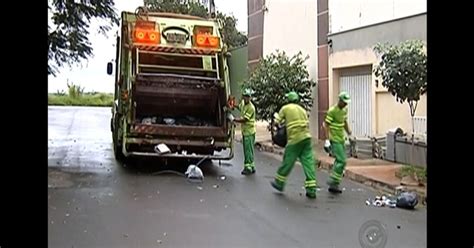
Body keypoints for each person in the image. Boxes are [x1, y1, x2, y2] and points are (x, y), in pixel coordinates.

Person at [270, 91, 317, 199]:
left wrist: (277, 123)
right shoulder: (302, 110)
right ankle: (312, 190)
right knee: (308, 163)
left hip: (294, 139)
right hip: (306, 138)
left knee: (288, 161)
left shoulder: (285, 108)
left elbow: (277, 122)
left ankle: (279, 183)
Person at [322, 91, 352, 194]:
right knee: (342, 160)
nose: (346, 104)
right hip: (334, 139)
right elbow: (326, 125)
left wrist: (349, 133)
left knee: (338, 162)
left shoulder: (344, 110)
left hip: (341, 138)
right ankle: (333, 180)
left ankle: (334, 185)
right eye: (344, 102)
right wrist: (327, 140)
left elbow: (344, 122)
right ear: (339, 100)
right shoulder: (332, 111)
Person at [233, 88, 257, 175]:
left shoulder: (251, 108)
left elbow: (244, 120)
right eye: (245, 96)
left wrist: (234, 119)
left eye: (248, 97)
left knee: (248, 151)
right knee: (249, 150)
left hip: (249, 132)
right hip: (245, 131)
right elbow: (239, 107)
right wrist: (233, 105)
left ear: (250, 98)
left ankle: (248, 168)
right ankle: (252, 166)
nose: (247, 98)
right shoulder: (243, 104)